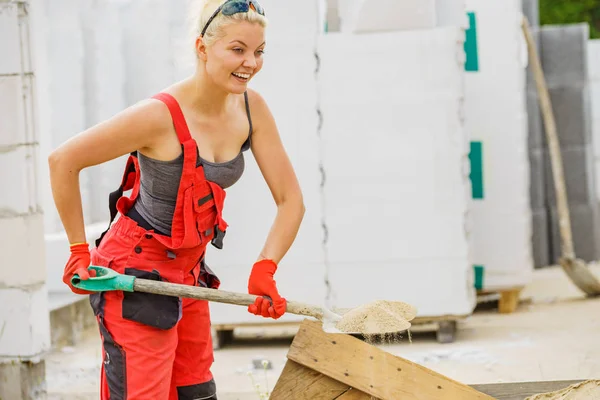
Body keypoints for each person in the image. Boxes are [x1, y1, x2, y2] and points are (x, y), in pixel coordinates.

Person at [48, 0, 305, 398]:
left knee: (196, 393)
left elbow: (291, 200)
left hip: (188, 276)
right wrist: (79, 250)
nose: (250, 63)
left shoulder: (252, 109)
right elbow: (63, 160)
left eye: (259, 51)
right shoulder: (158, 115)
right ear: (202, 48)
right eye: (237, 50)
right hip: (133, 277)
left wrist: (265, 269)